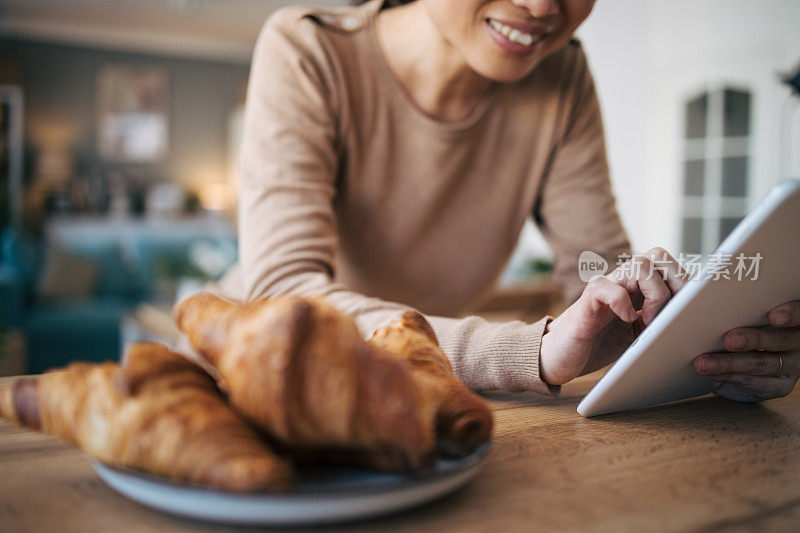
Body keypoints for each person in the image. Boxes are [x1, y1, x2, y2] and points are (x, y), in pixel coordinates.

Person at [212, 0, 799, 401]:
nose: (544, 7)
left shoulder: (561, 76)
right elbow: (286, 297)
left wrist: (706, 354)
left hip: (423, 388)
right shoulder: (308, 49)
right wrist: (529, 352)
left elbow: (600, 277)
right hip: (267, 377)